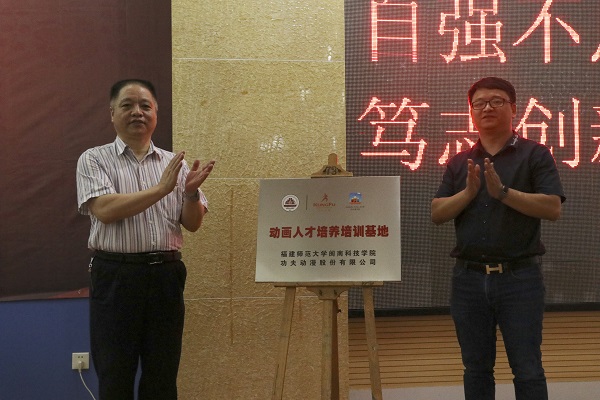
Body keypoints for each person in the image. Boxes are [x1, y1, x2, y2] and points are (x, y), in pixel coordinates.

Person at [76, 78, 215, 400]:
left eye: (145, 106)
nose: (137, 112)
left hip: (165, 276)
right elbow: (105, 210)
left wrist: (190, 194)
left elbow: (193, 224)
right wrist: (162, 189)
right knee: (115, 373)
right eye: (127, 105)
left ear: (156, 113)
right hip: (116, 275)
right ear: (112, 114)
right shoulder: (94, 159)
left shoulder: (174, 164)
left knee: (162, 374)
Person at [431, 77, 565, 400]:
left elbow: (552, 208)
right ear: (472, 112)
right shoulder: (459, 162)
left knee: (528, 369)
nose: (487, 108)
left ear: (514, 109)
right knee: (476, 370)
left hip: (520, 279)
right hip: (468, 280)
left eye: (496, 101)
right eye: (479, 103)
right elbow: (437, 213)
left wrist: (503, 193)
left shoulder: (535, 155)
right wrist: (468, 193)